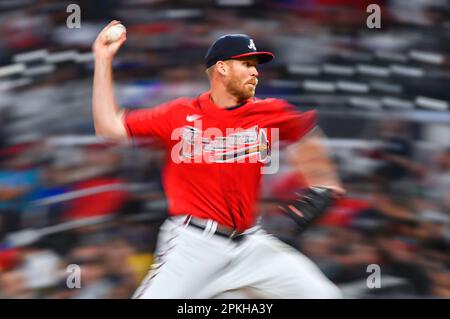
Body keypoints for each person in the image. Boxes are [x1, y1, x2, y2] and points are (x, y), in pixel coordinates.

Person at [92, 20, 345, 298]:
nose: (254, 72)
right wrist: (103, 60)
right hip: (194, 245)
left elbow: (305, 130)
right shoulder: (178, 114)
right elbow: (109, 127)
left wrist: (322, 181)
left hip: (251, 244)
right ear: (222, 68)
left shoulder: (269, 111)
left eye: (255, 65)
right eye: (246, 64)